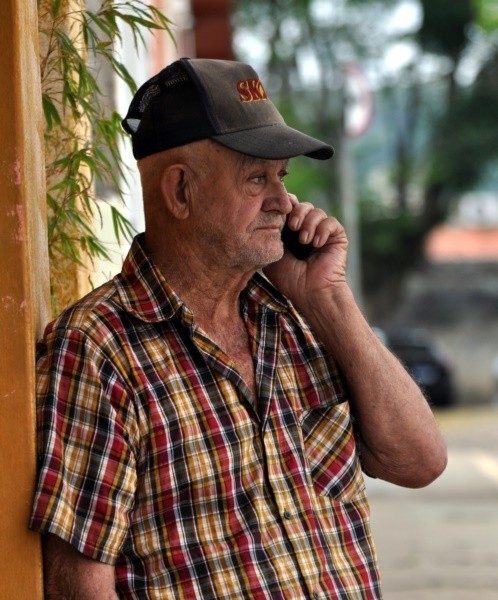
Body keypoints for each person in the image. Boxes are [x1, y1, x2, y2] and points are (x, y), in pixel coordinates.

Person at [30, 57, 447, 599]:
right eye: (257, 178)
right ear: (181, 192)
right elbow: (79, 585)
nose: (283, 202)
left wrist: (328, 300)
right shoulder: (98, 347)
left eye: (282, 177)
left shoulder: (297, 316)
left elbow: (420, 461)